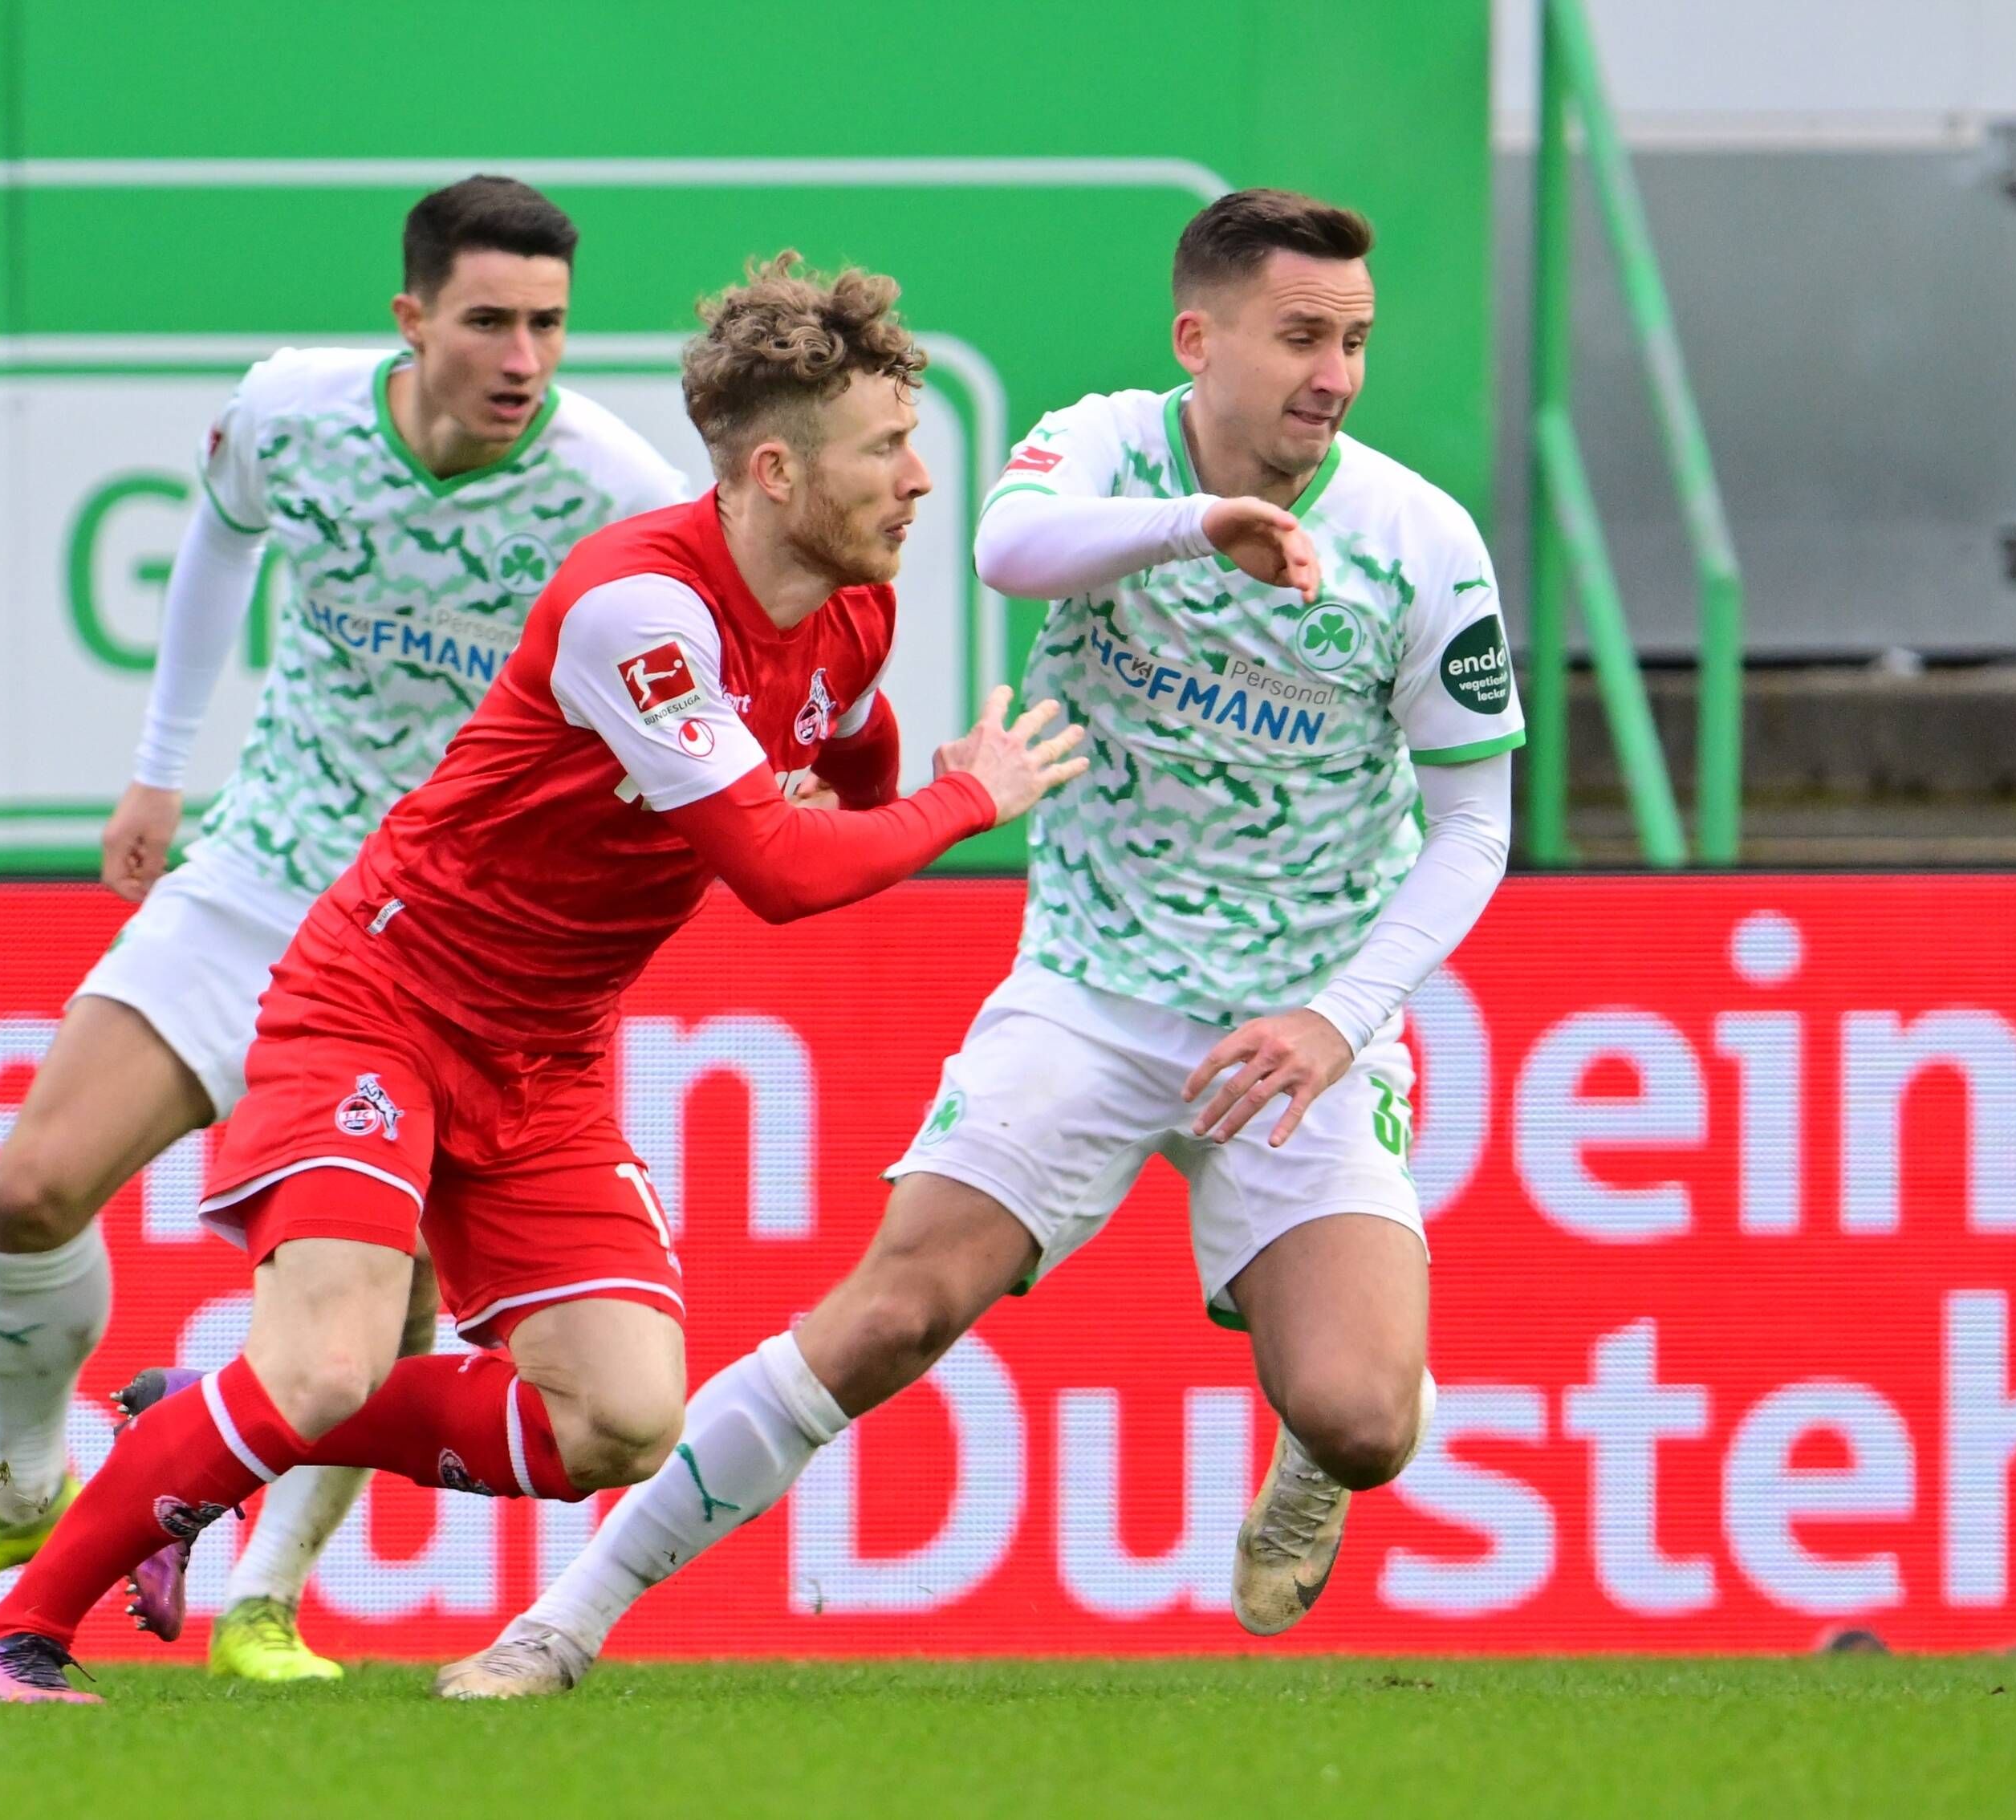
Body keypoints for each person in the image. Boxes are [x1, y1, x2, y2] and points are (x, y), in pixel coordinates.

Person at [0, 253, 1084, 1704]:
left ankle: (204, 1426)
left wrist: (856, 788)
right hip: (383, 1002)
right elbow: (785, 882)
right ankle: (13, 1638)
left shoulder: (851, 610)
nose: (920, 479)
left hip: (546, 1055)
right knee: (325, 1367)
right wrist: (970, 799)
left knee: (621, 1421)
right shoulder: (636, 607)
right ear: (778, 470)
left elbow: (848, 749)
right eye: (888, 449)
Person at [435, 188, 1522, 1697]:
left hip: (1299, 1025)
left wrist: (1338, 1023)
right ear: (1197, 340)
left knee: (1363, 1418)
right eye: (1299, 337)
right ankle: (555, 1629)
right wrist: (1198, 526)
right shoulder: (1102, 452)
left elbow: (1476, 825)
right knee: (890, 1316)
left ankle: (1311, 1458)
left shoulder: (1420, 540)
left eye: (1354, 340)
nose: (1334, 372)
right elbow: (1012, 550)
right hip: (1092, 989)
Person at [0, 175, 692, 1680]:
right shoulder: (290, 413)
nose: (523, 359)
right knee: (36, 1185)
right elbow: (217, 544)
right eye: (490, 321)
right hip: (261, 880)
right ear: (412, 316)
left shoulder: (615, 489)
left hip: (441, 944)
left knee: (378, 1320)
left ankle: (265, 1597)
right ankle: (25, 1482)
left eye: (551, 327)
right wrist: (159, 769)